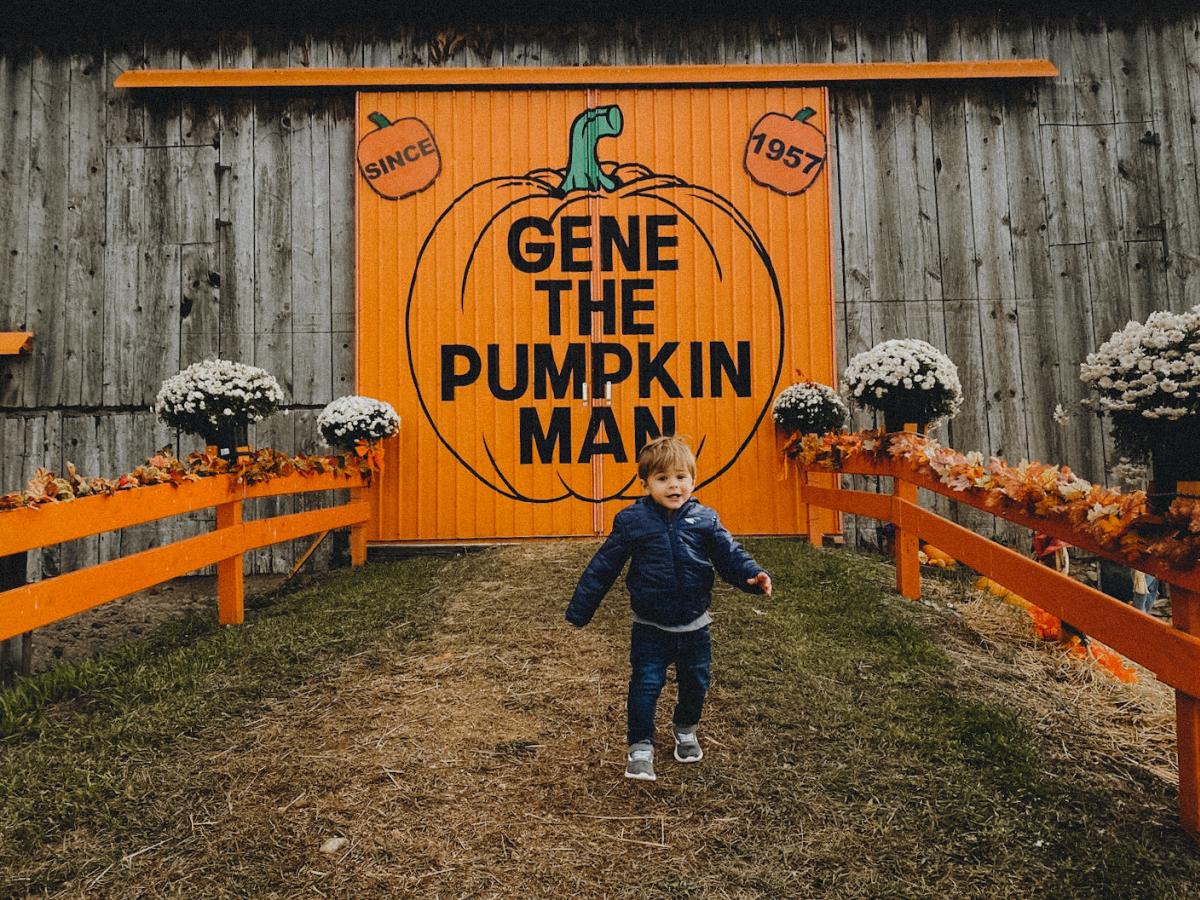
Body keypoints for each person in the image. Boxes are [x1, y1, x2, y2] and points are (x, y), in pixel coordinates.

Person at [565, 436, 772, 782]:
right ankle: (640, 747)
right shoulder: (633, 521)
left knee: (695, 682)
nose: (674, 485)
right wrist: (580, 610)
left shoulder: (705, 519)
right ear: (644, 484)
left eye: (681, 477)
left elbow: (729, 555)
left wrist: (751, 575)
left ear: (693, 479)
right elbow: (604, 566)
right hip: (650, 627)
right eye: (662, 479)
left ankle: (686, 729)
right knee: (645, 684)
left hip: (695, 626)